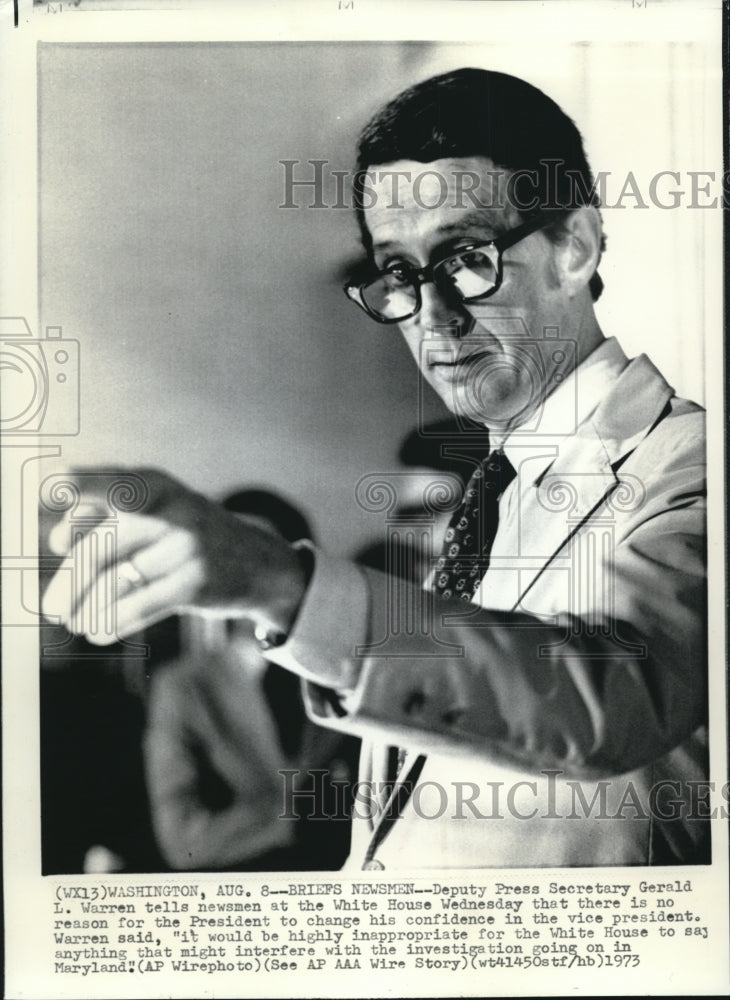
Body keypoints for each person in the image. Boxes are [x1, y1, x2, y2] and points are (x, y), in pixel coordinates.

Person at [43, 68, 708, 869]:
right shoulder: (489, 501)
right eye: (399, 273)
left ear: (575, 246)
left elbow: (612, 696)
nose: (432, 317)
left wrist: (277, 583)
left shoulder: (693, 466)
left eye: (464, 256)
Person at [143, 489, 359, 871]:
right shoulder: (182, 687)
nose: (244, 577)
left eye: (264, 557)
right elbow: (183, 841)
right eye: (230, 558)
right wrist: (298, 815)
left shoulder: (348, 668)